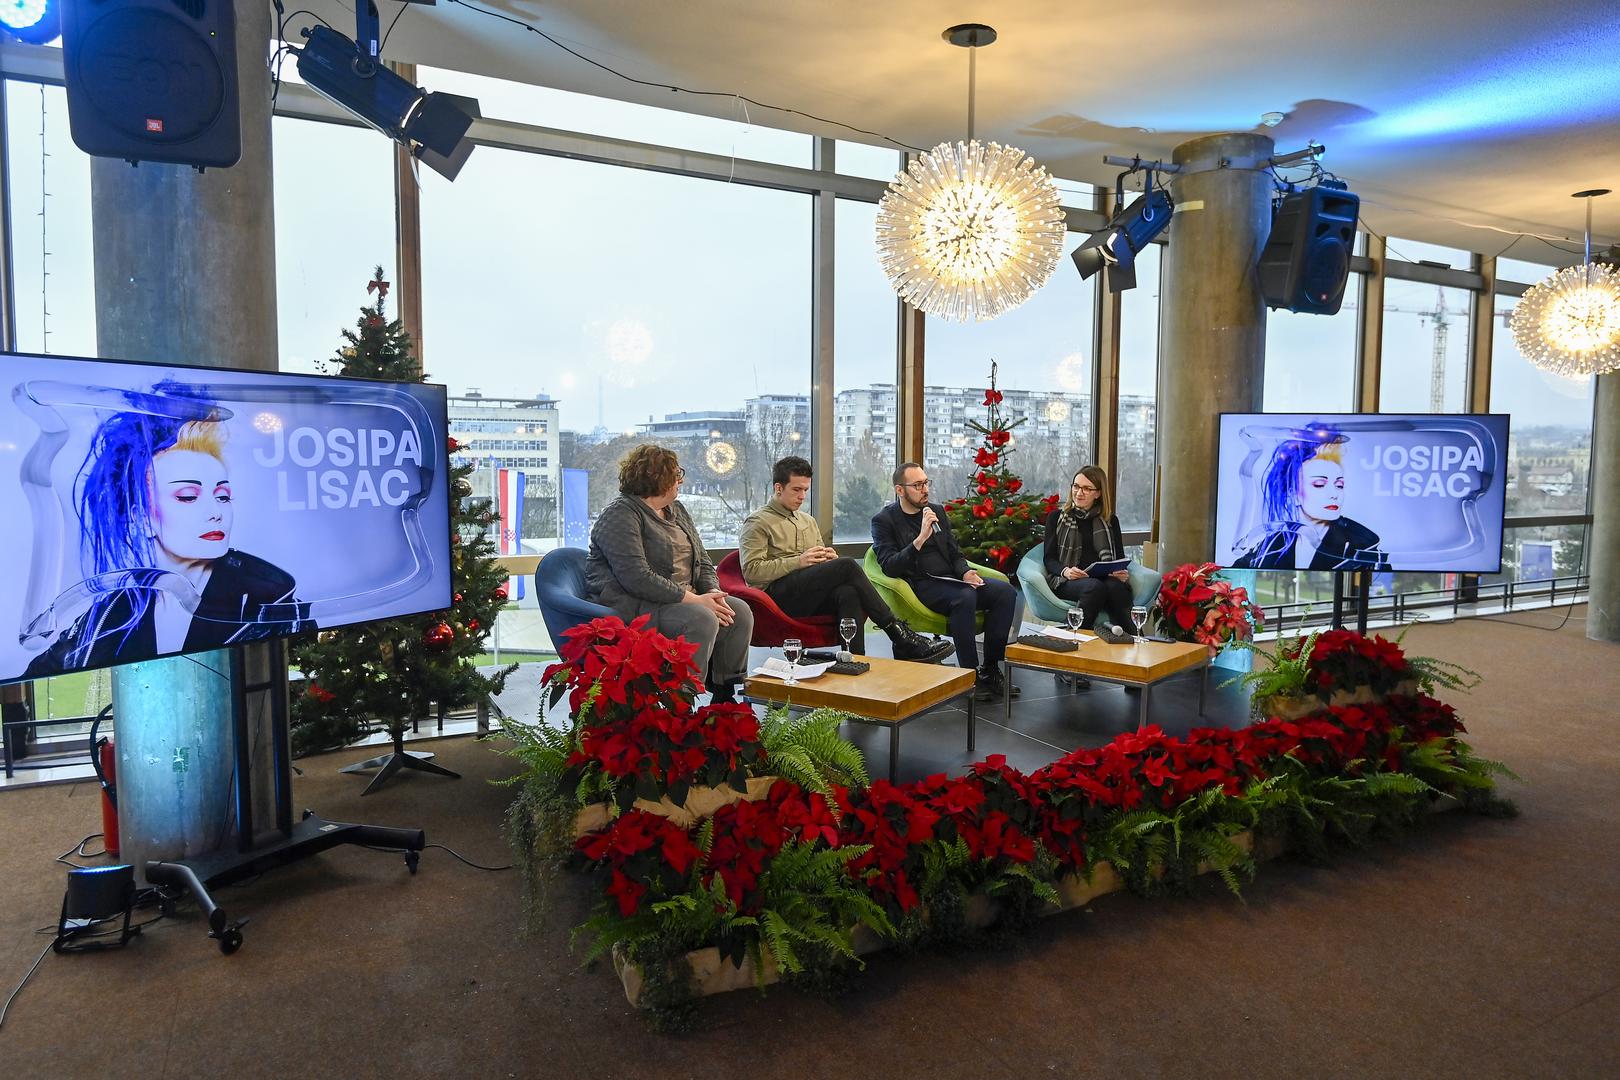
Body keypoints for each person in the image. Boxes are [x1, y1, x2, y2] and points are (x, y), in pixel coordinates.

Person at [25, 397, 311, 678]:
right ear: (141, 518)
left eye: (223, 496)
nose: (216, 513)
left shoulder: (271, 603)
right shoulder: (113, 612)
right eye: (188, 496)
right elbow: (45, 667)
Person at [738, 456, 953, 663]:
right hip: (776, 599)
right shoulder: (758, 522)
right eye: (796, 490)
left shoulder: (807, 521)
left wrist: (827, 560)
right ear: (778, 488)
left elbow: (817, 563)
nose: (802, 496)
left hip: (807, 594)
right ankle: (898, 633)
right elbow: (752, 572)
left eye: (805, 490)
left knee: (848, 592)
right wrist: (799, 561)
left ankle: (855, 661)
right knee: (848, 565)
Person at [585, 444, 754, 699]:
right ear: (656, 477)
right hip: (640, 603)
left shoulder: (678, 510)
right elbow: (637, 578)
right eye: (676, 474)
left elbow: (703, 561)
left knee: (739, 612)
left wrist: (712, 593)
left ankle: (724, 694)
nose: (681, 480)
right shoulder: (619, 515)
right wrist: (697, 600)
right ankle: (682, 699)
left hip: (686, 597)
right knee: (702, 618)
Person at [871, 462, 1019, 701]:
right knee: (965, 596)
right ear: (900, 490)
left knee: (1005, 592)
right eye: (917, 485)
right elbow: (889, 566)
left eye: (926, 483)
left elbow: (954, 552)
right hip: (922, 584)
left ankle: (990, 669)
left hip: (953, 580)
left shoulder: (936, 511)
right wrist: (920, 539)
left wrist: (965, 573)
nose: (925, 490)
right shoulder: (884, 520)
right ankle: (969, 675)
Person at [1231, 424, 1391, 571]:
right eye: (1319, 484)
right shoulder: (1272, 544)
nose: (1334, 494)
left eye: (1339, 485)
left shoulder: (1363, 549)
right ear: (1293, 494)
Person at [1043, 465, 1134, 631]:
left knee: (1116, 587)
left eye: (1086, 488)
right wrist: (1066, 571)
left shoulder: (1110, 520)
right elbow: (1049, 559)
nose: (1079, 492)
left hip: (1102, 578)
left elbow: (1119, 558)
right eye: (1076, 486)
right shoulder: (1056, 517)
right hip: (1068, 580)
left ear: (1098, 493)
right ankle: (1075, 635)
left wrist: (1121, 573)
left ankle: (1131, 637)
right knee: (1094, 587)